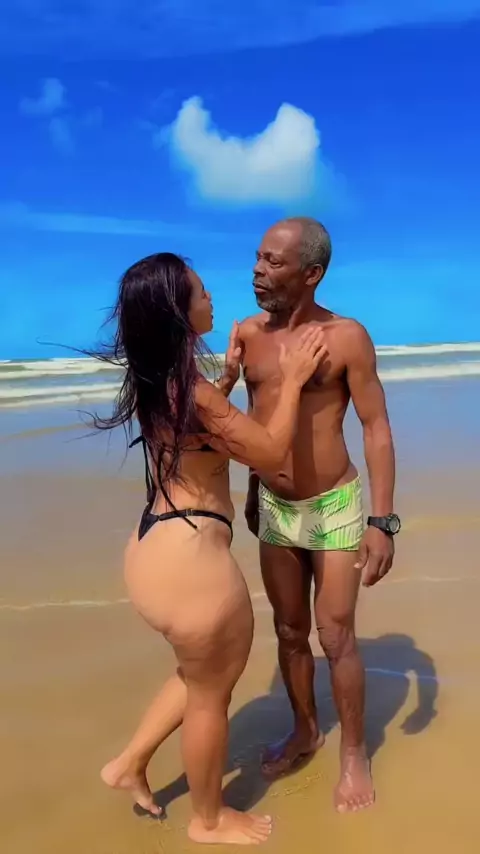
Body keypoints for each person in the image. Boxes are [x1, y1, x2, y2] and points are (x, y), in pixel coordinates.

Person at [93, 252, 327, 845]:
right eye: (200, 292)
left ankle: (128, 765)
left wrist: (226, 382)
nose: (211, 297)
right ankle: (208, 818)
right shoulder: (192, 393)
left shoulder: (159, 383)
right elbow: (269, 453)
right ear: (178, 311)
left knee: (195, 676)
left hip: (152, 549)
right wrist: (293, 379)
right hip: (192, 567)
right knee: (210, 698)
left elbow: (201, 437)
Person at [239, 217, 399, 813]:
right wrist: (253, 489)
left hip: (333, 505)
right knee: (288, 629)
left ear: (311, 273)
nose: (258, 271)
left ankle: (354, 754)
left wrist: (382, 522)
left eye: (273, 262)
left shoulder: (346, 337)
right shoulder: (249, 333)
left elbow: (376, 428)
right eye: (258, 257)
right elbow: (256, 421)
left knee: (335, 634)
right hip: (275, 507)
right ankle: (305, 729)